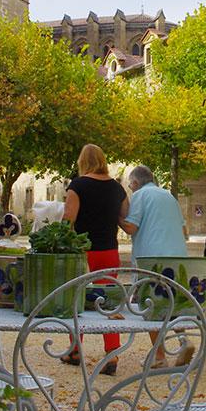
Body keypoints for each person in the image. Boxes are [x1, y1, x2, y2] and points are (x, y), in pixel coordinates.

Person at [63, 143, 128, 376]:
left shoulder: (77, 185)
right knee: (109, 302)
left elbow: (68, 218)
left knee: (77, 299)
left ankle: (75, 350)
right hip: (109, 249)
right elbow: (125, 216)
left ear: (83, 161)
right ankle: (112, 354)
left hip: (84, 251)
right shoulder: (117, 188)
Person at [120, 165, 188, 367]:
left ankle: (159, 356)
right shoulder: (168, 196)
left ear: (134, 183)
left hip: (151, 257)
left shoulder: (140, 195)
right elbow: (184, 230)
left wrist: (117, 218)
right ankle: (184, 343)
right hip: (177, 256)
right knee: (175, 304)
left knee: (151, 306)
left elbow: (131, 227)